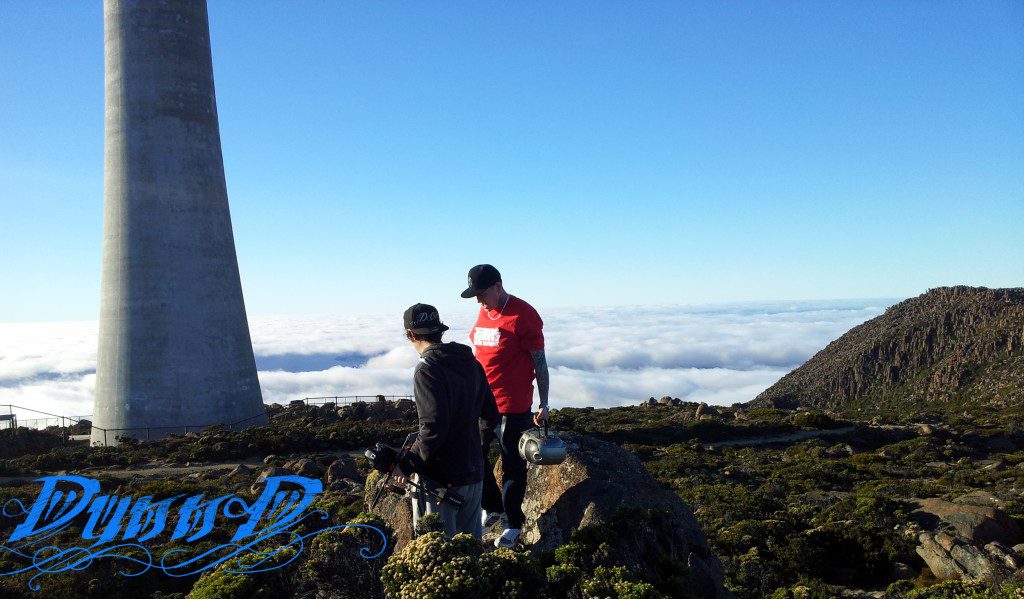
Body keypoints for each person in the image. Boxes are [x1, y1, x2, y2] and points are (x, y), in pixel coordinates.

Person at [392, 303, 500, 539]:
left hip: (441, 481)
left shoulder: (427, 369)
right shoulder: (471, 363)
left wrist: (408, 464)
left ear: (410, 334)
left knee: (438, 551)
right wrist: (477, 448)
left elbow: (433, 428)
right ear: (440, 330)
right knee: (470, 553)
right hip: (473, 472)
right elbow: (491, 414)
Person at [461, 264, 549, 548]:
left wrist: (544, 404)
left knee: (512, 463)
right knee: (474, 453)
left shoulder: (524, 314)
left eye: (482, 293)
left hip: (513, 405)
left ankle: (513, 523)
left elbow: (540, 362)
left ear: (498, 286)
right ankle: (493, 507)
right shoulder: (484, 310)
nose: (478, 300)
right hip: (482, 401)